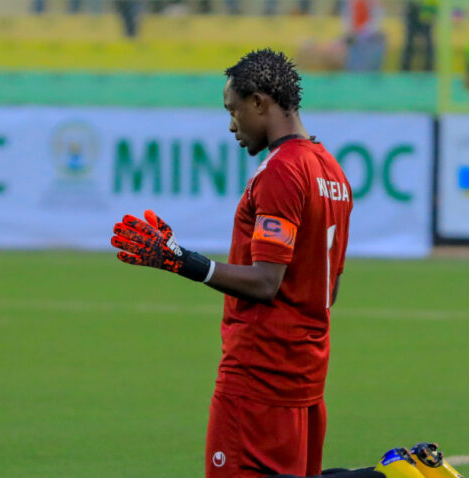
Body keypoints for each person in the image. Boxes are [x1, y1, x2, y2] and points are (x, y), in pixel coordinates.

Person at [110, 49, 353, 477]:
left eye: (233, 110)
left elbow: (265, 283)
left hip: (260, 376)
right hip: (307, 379)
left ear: (259, 103)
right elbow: (328, 286)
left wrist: (179, 260)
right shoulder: (330, 170)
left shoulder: (283, 171)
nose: (231, 124)